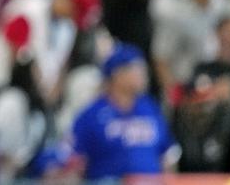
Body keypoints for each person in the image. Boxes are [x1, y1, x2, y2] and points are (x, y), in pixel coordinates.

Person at [71, 44, 180, 181]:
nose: (142, 74)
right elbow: (75, 160)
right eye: (135, 68)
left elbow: (168, 155)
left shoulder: (150, 108)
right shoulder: (93, 115)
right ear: (116, 74)